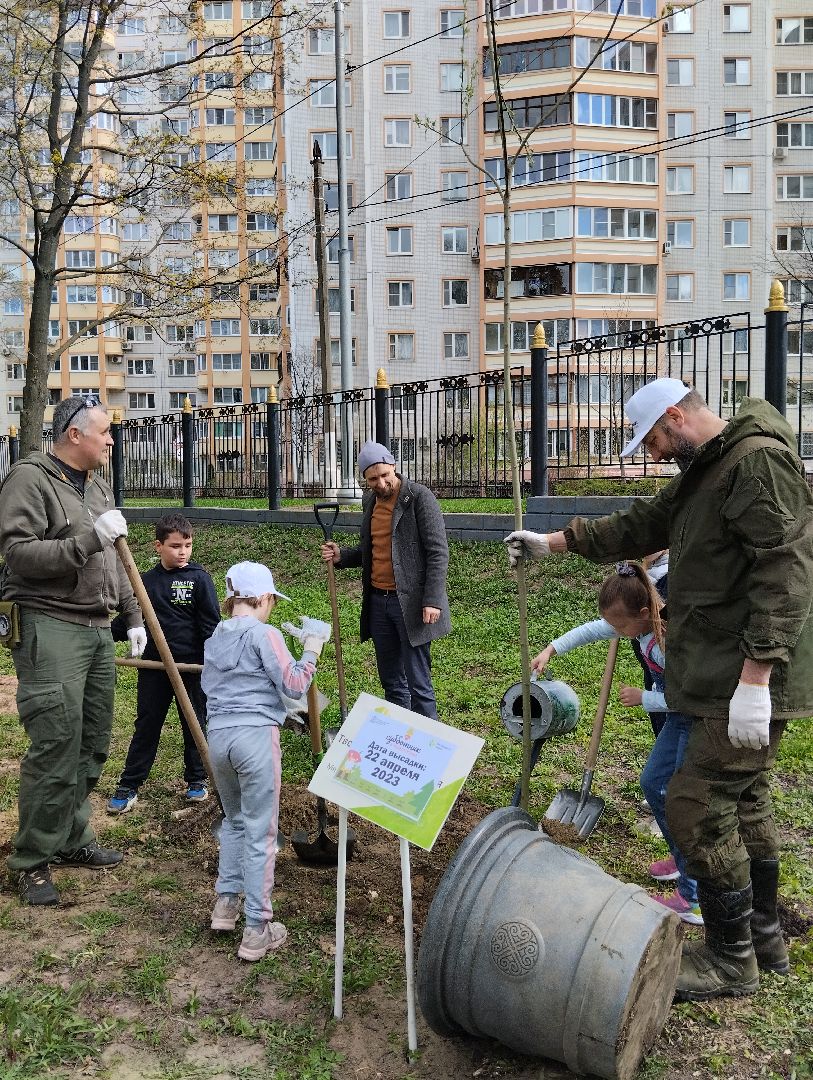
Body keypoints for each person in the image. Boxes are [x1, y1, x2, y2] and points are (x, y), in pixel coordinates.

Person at [506, 378, 813, 1001]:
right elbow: (647, 520)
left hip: (745, 676)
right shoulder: (711, 466)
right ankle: (764, 936)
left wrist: (757, 677)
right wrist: (555, 542)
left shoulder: (754, 464)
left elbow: (786, 571)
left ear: (675, 417)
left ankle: (731, 959)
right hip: (722, 672)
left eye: (650, 439)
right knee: (746, 801)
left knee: (692, 805)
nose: (650, 453)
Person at [0, 395, 147, 906]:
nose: (112, 440)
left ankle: (70, 837)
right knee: (56, 743)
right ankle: (32, 859)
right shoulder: (31, 478)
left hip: (95, 625)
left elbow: (116, 561)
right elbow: (17, 554)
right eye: (105, 432)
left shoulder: (99, 486)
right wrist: (85, 539)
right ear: (74, 435)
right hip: (49, 623)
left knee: (91, 741)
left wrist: (131, 616)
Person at [531, 561, 701, 925]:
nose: (615, 632)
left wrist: (645, 697)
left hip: (697, 718)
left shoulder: (666, 642)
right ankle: (683, 856)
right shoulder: (640, 628)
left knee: (684, 799)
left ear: (644, 613)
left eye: (620, 625)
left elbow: (689, 696)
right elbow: (593, 630)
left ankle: (694, 896)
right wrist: (552, 649)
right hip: (679, 717)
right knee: (655, 784)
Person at [202, 561, 331, 962]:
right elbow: (294, 683)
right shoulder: (266, 634)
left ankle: (225, 905)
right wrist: (312, 649)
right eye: (272, 599)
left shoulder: (215, 637)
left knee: (235, 821)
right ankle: (257, 928)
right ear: (260, 598)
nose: (272, 607)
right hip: (255, 738)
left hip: (218, 737)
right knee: (261, 832)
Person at [319, 441, 451, 720]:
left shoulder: (419, 497)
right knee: (391, 680)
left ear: (393, 466)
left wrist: (432, 600)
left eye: (384, 474)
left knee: (419, 683)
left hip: (412, 604)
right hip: (379, 602)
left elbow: (438, 552)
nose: (380, 482)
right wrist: (343, 555)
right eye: (372, 478)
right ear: (364, 480)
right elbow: (372, 549)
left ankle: (429, 748)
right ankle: (402, 736)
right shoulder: (370, 502)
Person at [107, 513, 221, 814]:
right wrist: (101, 636)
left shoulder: (199, 579)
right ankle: (129, 784)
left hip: (192, 668)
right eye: (175, 546)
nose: (182, 551)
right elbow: (130, 620)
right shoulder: (145, 582)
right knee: (147, 724)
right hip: (154, 667)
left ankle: (197, 779)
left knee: (194, 722)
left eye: (187, 544)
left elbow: (211, 626)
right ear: (158, 546)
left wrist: (214, 660)